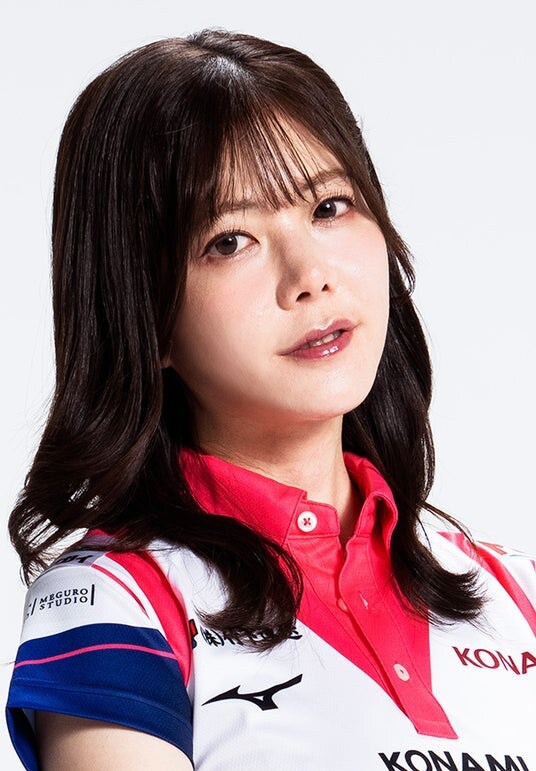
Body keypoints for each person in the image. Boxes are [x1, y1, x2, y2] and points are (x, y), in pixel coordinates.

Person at [5, 28, 535, 771]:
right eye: (229, 240)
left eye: (329, 206)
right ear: (144, 314)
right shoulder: (115, 603)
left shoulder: (516, 594)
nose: (310, 275)